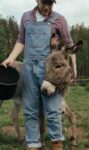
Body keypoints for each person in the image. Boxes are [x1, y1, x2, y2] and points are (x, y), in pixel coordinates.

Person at [2, 0, 76, 149]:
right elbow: (21, 41)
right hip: (28, 70)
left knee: (53, 110)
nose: (48, 7)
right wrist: (10, 58)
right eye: (44, 3)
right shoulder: (26, 17)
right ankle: (33, 145)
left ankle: (57, 145)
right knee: (30, 111)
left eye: (51, 3)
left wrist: (74, 69)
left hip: (49, 72)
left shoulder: (59, 19)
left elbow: (70, 45)